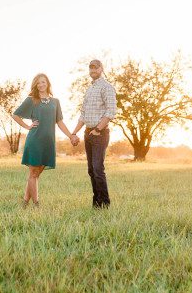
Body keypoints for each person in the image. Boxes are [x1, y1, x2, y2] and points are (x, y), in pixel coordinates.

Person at [12, 73, 78, 207]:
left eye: (43, 82)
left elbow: (59, 122)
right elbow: (15, 115)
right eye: (38, 83)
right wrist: (28, 126)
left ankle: (25, 201)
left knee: (36, 174)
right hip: (35, 140)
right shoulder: (31, 100)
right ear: (35, 85)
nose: (41, 85)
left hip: (48, 142)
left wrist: (71, 135)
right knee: (33, 173)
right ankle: (36, 204)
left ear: (47, 83)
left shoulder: (55, 102)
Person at [70, 59, 117, 208]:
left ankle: (105, 203)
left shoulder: (107, 87)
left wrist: (98, 130)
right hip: (87, 133)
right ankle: (96, 203)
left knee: (98, 169)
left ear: (101, 69)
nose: (93, 71)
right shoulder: (89, 90)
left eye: (96, 68)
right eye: (91, 68)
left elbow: (111, 111)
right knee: (91, 170)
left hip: (99, 134)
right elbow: (83, 115)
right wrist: (74, 133)